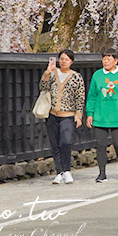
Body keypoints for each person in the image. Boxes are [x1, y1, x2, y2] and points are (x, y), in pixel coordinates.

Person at [86, 47, 118, 182]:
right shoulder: (97, 75)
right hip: (100, 116)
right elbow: (92, 96)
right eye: (104, 58)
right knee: (100, 145)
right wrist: (89, 113)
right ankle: (102, 173)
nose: (105, 61)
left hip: (117, 116)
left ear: (116, 60)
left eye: (109, 59)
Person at [39, 49, 84, 184]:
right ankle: (59, 172)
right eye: (62, 59)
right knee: (55, 144)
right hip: (52, 114)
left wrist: (79, 114)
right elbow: (42, 87)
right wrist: (47, 72)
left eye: (66, 59)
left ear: (71, 62)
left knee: (66, 142)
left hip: (68, 115)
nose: (63, 61)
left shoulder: (76, 76)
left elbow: (80, 97)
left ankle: (67, 170)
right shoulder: (52, 74)